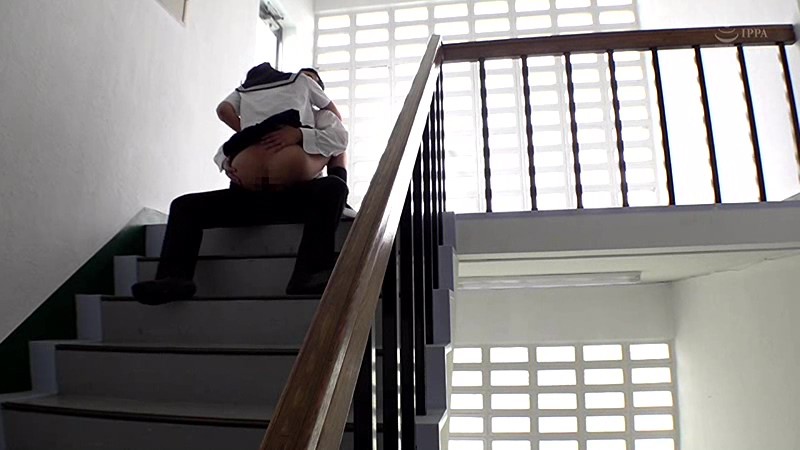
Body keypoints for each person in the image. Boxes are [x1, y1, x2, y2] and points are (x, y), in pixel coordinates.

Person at [131, 65, 349, 305]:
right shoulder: (262, 120)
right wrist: (228, 162)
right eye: (303, 77)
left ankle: (309, 273)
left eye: (313, 80)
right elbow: (226, 148)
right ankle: (174, 278)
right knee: (184, 206)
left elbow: (340, 139)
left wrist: (300, 135)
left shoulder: (322, 118)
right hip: (249, 199)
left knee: (334, 188)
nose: (304, 81)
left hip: (295, 198)